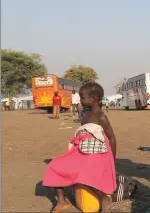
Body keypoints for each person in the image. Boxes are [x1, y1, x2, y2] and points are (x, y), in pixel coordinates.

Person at [42, 82, 117, 212]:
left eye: (82, 97)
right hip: (81, 149)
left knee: (83, 174)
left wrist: (112, 160)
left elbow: (112, 138)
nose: (80, 100)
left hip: (97, 153)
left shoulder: (101, 117)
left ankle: (103, 197)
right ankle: (62, 201)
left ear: (93, 99)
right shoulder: (84, 114)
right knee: (55, 165)